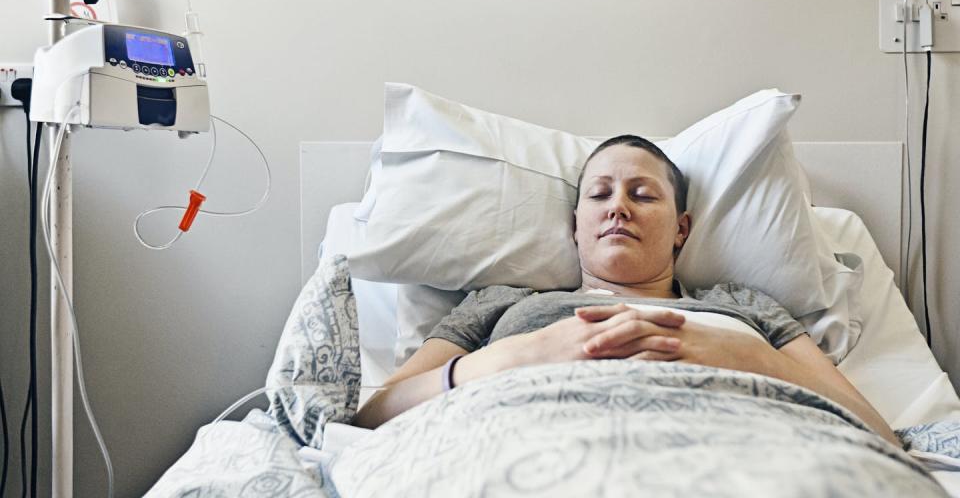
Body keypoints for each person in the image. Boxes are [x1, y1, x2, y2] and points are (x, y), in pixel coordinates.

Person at [353, 135, 900, 447]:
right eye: (600, 194)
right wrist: (511, 357)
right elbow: (372, 415)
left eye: (643, 194)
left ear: (681, 230)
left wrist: (750, 356)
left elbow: (877, 431)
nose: (619, 207)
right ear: (575, 226)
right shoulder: (506, 302)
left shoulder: (741, 306)